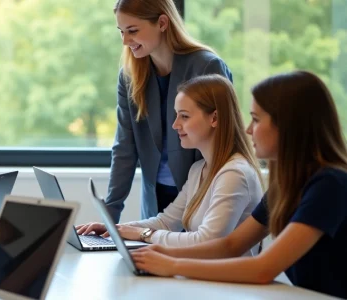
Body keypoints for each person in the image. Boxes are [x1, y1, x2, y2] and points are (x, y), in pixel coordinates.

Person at [131, 71, 347, 299]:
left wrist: (173, 265)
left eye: (256, 119)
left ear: (287, 125)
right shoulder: (286, 185)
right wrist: (162, 252)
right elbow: (231, 245)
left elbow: (263, 269)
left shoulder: (329, 184)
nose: (248, 129)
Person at [77, 75, 262, 254]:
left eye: (184, 116)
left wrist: (144, 235)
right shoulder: (199, 170)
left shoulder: (234, 174)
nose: (175, 125)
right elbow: (167, 222)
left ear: (214, 118)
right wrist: (116, 229)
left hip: (228, 283)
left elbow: (208, 241)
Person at [105, 0, 234, 222]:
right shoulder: (129, 76)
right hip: (155, 201)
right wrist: (109, 215)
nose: (126, 41)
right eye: (121, 32)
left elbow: (224, 143)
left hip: (202, 197)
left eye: (133, 31)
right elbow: (124, 148)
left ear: (162, 23)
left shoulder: (207, 67)